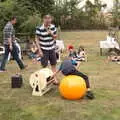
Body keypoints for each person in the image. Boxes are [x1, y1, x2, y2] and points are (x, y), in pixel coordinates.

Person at [35, 14, 58, 84]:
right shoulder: (39, 28)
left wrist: (51, 33)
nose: (48, 22)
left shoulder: (53, 27)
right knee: (44, 66)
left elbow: (55, 37)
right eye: (46, 20)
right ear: (43, 20)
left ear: (51, 20)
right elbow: (37, 40)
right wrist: (40, 50)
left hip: (52, 49)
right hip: (44, 49)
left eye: (49, 20)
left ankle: (54, 79)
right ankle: (44, 80)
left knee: (53, 64)